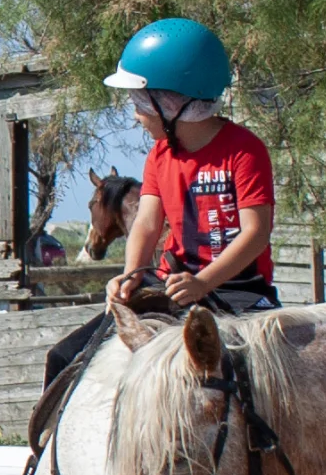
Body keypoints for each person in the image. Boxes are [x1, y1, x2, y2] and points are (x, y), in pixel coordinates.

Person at [104, 17, 277, 315]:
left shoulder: (244, 150)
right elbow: (146, 224)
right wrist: (130, 275)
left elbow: (256, 233)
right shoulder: (159, 155)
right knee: (64, 357)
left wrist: (203, 283)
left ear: (171, 103)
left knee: (234, 359)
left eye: (140, 104)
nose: (136, 116)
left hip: (237, 290)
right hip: (173, 282)